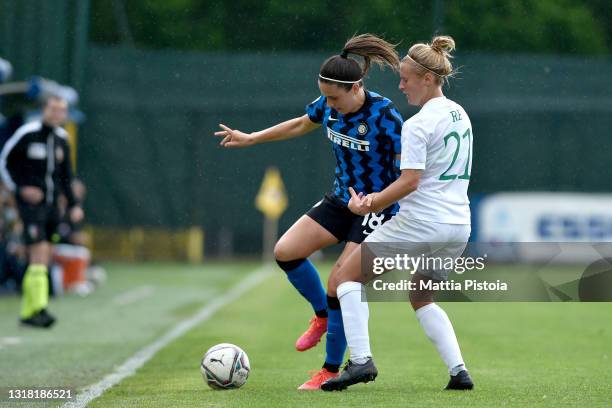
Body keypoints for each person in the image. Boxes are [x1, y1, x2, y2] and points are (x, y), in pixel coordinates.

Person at [214, 34, 403, 389]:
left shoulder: (385, 114)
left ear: (356, 87)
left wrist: (382, 202)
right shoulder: (328, 105)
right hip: (339, 200)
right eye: (324, 95)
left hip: (376, 208)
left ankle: (331, 371)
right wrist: (252, 137)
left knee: (340, 282)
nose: (329, 104)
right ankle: (321, 316)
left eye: (335, 97)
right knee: (285, 251)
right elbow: (302, 123)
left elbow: (407, 170)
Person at [321, 35, 475, 391]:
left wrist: (369, 203)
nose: (401, 85)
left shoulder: (418, 124)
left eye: (406, 78)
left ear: (427, 78)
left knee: (346, 279)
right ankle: (459, 371)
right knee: (421, 296)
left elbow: (409, 183)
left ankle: (360, 362)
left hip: (422, 224)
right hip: (457, 227)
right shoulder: (459, 113)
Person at [0, 95, 84, 328]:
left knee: (44, 255)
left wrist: (74, 204)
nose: (58, 115)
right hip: (31, 206)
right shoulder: (28, 133)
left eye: (62, 111)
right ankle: (39, 308)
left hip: (51, 206)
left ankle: (29, 311)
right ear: (44, 110)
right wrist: (20, 188)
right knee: (39, 252)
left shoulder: (61, 139)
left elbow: (67, 175)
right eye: (54, 110)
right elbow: (5, 161)